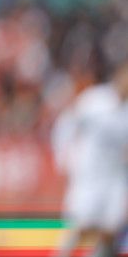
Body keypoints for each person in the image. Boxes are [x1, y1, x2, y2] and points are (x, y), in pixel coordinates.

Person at [52, 61, 128, 257]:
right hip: (89, 175)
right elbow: (66, 124)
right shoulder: (95, 101)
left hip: (116, 177)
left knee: (111, 228)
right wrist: (62, 157)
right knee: (81, 224)